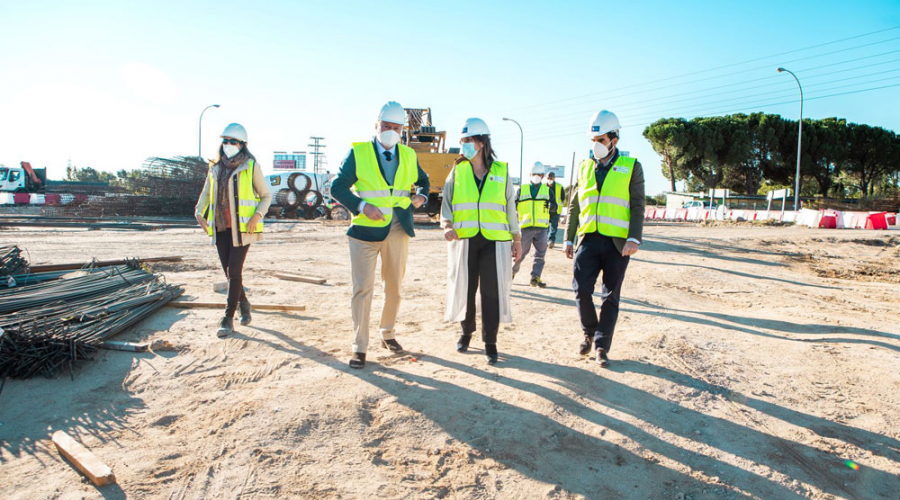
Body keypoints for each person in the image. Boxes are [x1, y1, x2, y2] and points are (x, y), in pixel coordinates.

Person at [330, 101, 431, 369]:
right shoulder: (359, 152)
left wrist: (421, 195)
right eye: (386, 126)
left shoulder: (409, 155)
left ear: (402, 130)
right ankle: (359, 347)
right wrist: (362, 206)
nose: (390, 131)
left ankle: (388, 332)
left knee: (394, 289)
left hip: (398, 229)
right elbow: (337, 187)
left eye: (396, 127)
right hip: (364, 231)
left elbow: (424, 180)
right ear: (377, 125)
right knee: (362, 289)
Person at [565, 110, 645, 367]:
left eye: (601, 140)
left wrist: (634, 238)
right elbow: (575, 205)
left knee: (610, 296)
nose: (596, 145)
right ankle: (589, 331)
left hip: (617, 244)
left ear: (614, 140)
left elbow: (637, 205)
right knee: (581, 290)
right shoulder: (584, 167)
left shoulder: (632, 167)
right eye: (593, 140)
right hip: (588, 239)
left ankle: (601, 346)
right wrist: (568, 238)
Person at [442, 118, 521, 365]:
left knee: (491, 292)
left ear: (482, 142)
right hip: (465, 239)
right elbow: (446, 202)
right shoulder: (458, 170)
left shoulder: (501, 171)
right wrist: (446, 224)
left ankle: (490, 342)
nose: (464, 145)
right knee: (466, 288)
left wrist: (516, 238)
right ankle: (466, 332)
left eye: (468, 140)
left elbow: (510, 207)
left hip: (494, 241)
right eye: (462, 141)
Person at [195, 123, 272, 338]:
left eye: (233, 141)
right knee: (228, 273)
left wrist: (256, 216)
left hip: (242, 229)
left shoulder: (250, 166)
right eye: (225, 141)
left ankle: (227, 318)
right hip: (220, 227)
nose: (228, 145)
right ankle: (244, 303)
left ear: (242, 145)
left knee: (235, 271)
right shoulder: (215, 167)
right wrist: (198, 212)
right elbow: (206, 194)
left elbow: (266, 195)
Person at [512, 163, 555, 287]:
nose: (536, 176)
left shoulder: (548, 190)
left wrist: (551, 207)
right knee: (520, 254)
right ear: (530, 174)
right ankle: (511, 273)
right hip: (526, 228)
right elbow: (513, 205)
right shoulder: (522, 189)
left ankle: (535, 277)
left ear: (542, 176)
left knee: (540, 255)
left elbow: (555, 207)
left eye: (539, 174)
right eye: (534, 174)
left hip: (542, 229)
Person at [546, 171, 565, 249]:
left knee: (554, 227)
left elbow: (563, 198)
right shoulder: (543, 186)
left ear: (554, 178)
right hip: (545, 211)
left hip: (555, 210)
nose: (550, 179)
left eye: (551, 177)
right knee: (545, 227)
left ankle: (551, 241)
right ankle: (545, 240)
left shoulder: (559, 187)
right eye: (548, 178)